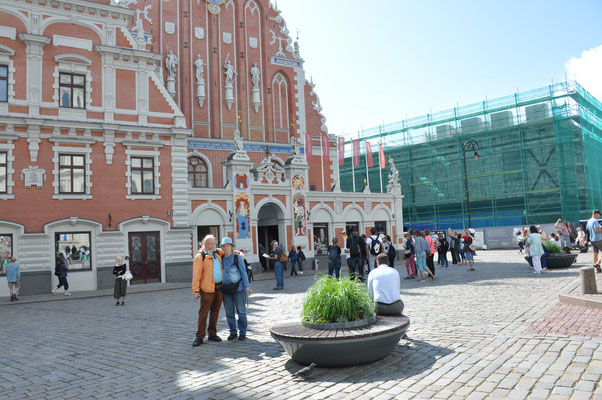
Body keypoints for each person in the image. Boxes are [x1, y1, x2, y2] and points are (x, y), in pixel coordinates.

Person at [192, 234, 224, 347]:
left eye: (212, 243)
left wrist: (239, 253)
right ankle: (199, 336)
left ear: (215, 244)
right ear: (204, 244)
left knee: (215, 312)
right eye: (207, 243)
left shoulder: (218, 253)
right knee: (203, 313)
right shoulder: (200, 256)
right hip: (207, 290)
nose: (210, 245)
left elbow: (229, 250)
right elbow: (196, 274)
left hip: (219, 288)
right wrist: (195, 290)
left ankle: (212, 334)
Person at [219, 237, 252, 341]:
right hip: (226, 290)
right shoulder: (222, 258)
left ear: (232, 247)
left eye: (228, 245)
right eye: (224, 246)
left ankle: (242, 332)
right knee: (229, 312)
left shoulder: (237, 257)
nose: (226, 247)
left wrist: (247, 286)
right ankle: (233, 332)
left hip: (239, 289)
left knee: (241, 311)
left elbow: (243, 272)